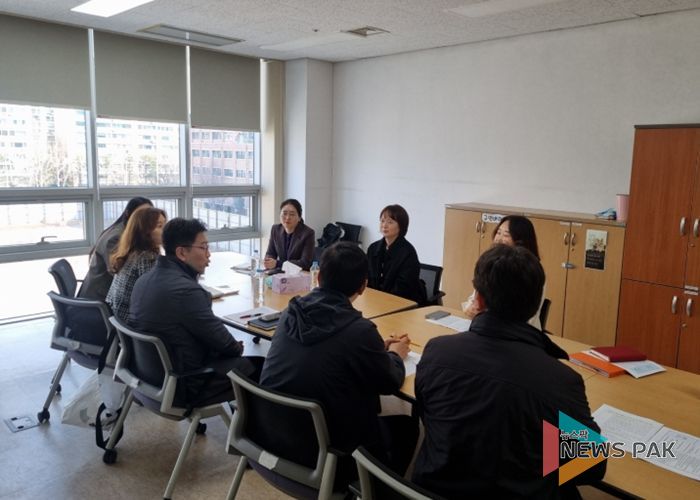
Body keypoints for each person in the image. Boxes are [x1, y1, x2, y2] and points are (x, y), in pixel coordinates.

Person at [413, 245, 606, 499]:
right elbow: (591, 465)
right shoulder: (560, 379)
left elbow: (428, 415)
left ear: (479, 299)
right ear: (535, 305)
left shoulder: (436, 351)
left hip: (433, 490)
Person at [260, 241, 418, 490]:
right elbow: (389, 381)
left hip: (267, 435)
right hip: (326, 457)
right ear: (363, 286)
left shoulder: (292, 312)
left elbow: (333, 351)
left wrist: (376, 349)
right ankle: (374, 490)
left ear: (319, 277)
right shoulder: (359, 331)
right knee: (407, 427)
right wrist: (395, 355)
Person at [129, 218, 262, 407]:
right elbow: (227, 345)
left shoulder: (143, 281)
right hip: (184, 386)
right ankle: (250, 424)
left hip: (149, 379)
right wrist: (236, 348)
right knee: (260, 367)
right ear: (182, 253)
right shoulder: (187, 291)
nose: (209, 254)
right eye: (204, 247)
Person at [463, 215, 545, 328]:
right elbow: (474, 297)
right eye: (498, 232)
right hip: (485, 327)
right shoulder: (490, 264)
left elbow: (528, 318)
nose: (499, 239)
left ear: (520, 240)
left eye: (506, 235)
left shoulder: (531, 271)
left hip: (517, 332)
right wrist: (470, 308)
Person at [78, 197, 153, 300]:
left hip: (109, 294)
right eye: (140, 214)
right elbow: (120, 274)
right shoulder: (116, 237)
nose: (145, 219)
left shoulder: (129, 232)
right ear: (128, 214)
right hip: (100, 299)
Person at [105, 206, 166, 322]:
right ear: (145, 231)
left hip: (119, 320)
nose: (166, 230)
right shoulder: (147, 258)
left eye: (165, 225)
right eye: (160, 226)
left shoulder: (132, 252)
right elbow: (155, 296)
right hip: (132, 323)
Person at [367, 204, 426, 304]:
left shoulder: (408, 252)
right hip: (376, 300)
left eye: (390, 222)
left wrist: (382, 300)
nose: (384, 225)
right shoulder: (373, 248)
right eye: (382, 221)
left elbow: (404, 287)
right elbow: (367, 277)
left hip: (401, 302)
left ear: (401, 226)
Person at [264, 198, 315, 271]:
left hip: (299, 274)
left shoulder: (308, 233)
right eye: (284, 213)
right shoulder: (275, 229)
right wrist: (269, 261)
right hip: (280, 273)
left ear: (299, 218)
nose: (287, 218)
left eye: (292, 214)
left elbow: (305, 263)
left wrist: (278, 264)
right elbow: (270, 253)